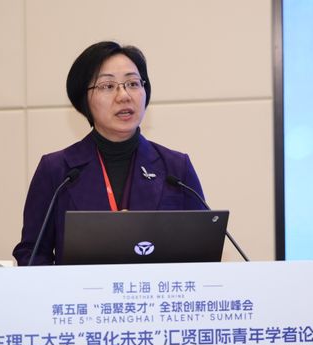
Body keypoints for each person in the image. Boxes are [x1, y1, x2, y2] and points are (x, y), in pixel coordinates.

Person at [13, 41, 206, 266]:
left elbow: (202, 248)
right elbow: (33, 253)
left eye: (133, 83)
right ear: (84, 98)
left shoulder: (176, 168)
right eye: (107, 86)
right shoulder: (57, 171)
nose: (124, 95)